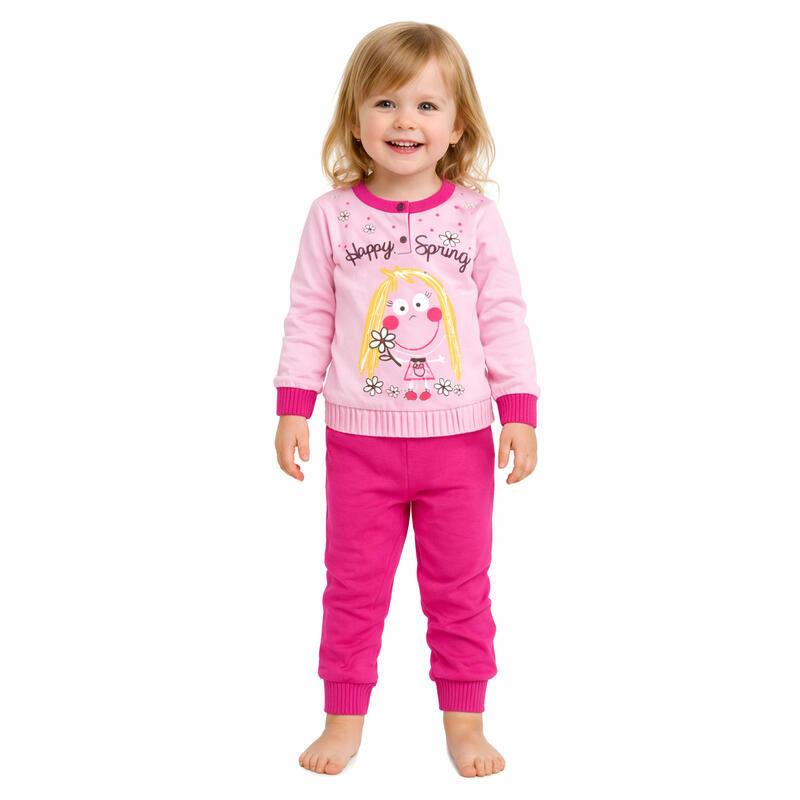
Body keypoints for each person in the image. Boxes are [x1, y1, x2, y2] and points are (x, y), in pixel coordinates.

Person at [273, 21, 541, 778]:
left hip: (459, 446)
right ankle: (342, 721)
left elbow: (503, 315)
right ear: (356, 117)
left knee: (460, 590)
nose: (405, 121)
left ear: (457, 126)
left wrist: (518, 411)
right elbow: (309, 315)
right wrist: (293, 404)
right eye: (386, 102)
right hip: (360, 444)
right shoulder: (331, 216)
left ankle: (466, 724)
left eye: (427, 105)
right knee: (353, 589)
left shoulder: (474, 218)